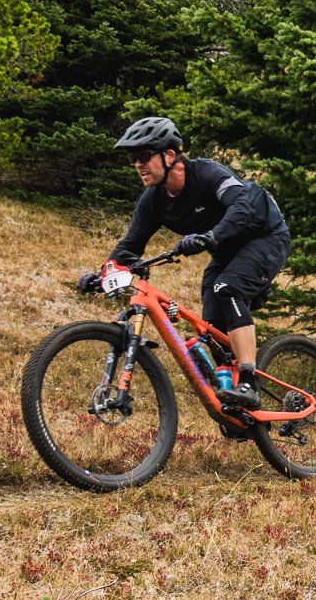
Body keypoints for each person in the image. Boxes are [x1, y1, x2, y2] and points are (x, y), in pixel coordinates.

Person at [91, 116, 291, 412]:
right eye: (133, 159)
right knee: (209, 324)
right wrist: (102, 273)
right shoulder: (153, 200)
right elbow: (131, 245)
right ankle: (235, 401)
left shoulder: (207, 174)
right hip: (225, 250)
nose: (137, 165)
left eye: (144, 156)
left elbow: (242, 206)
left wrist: (210, 236)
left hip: (265, 236)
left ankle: (249, 382)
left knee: (227, 288)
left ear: (169, 155)